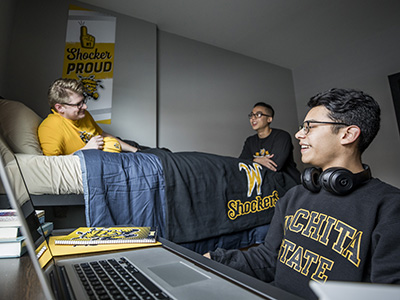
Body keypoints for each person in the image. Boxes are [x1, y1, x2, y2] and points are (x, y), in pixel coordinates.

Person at [205, 88, 400, 299]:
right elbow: (267, 259)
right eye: (302, 127)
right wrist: (213, 259)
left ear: (348, 134)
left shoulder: (390, 207)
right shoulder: (294, 196)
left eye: (310, 127)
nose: (299, 134)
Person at [38, 78, 139, 156]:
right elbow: (52, 165)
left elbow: (102, 134)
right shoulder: (50, 127)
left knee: (149, 152)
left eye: (83, 101)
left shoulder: (83, 115)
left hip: (117, 147)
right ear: (60, 108)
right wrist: (86, 150)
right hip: (100, 161)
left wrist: (135, 150)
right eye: (78, 104)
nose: (85, 107)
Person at [239, 102, 301, 184]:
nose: (253, 118)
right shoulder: (250, 141)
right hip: (265, 185)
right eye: (251, 115)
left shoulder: (282, 136)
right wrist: (256, 160)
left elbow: (275, 166)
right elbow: (240, 163)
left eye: (258, 115)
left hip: (289, 184)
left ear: (269, 119)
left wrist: (251, 162)